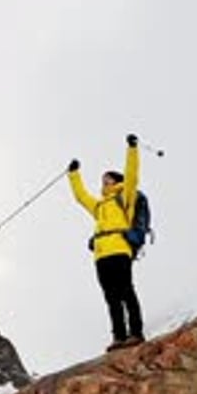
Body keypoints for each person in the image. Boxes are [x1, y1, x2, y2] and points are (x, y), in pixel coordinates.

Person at [67, 134, 144, 351]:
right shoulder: (99, 206)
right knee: (111, 297)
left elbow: (132, 174)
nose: (104, 181)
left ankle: (136, 333)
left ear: (116, 181)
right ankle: (119, 337)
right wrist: (73, 174)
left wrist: (132, 148)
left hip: (120, 249)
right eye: (103, 179)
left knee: (126, 291)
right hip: (101, 254)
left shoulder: (125, 197)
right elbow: (81, 197)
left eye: (107, 178)